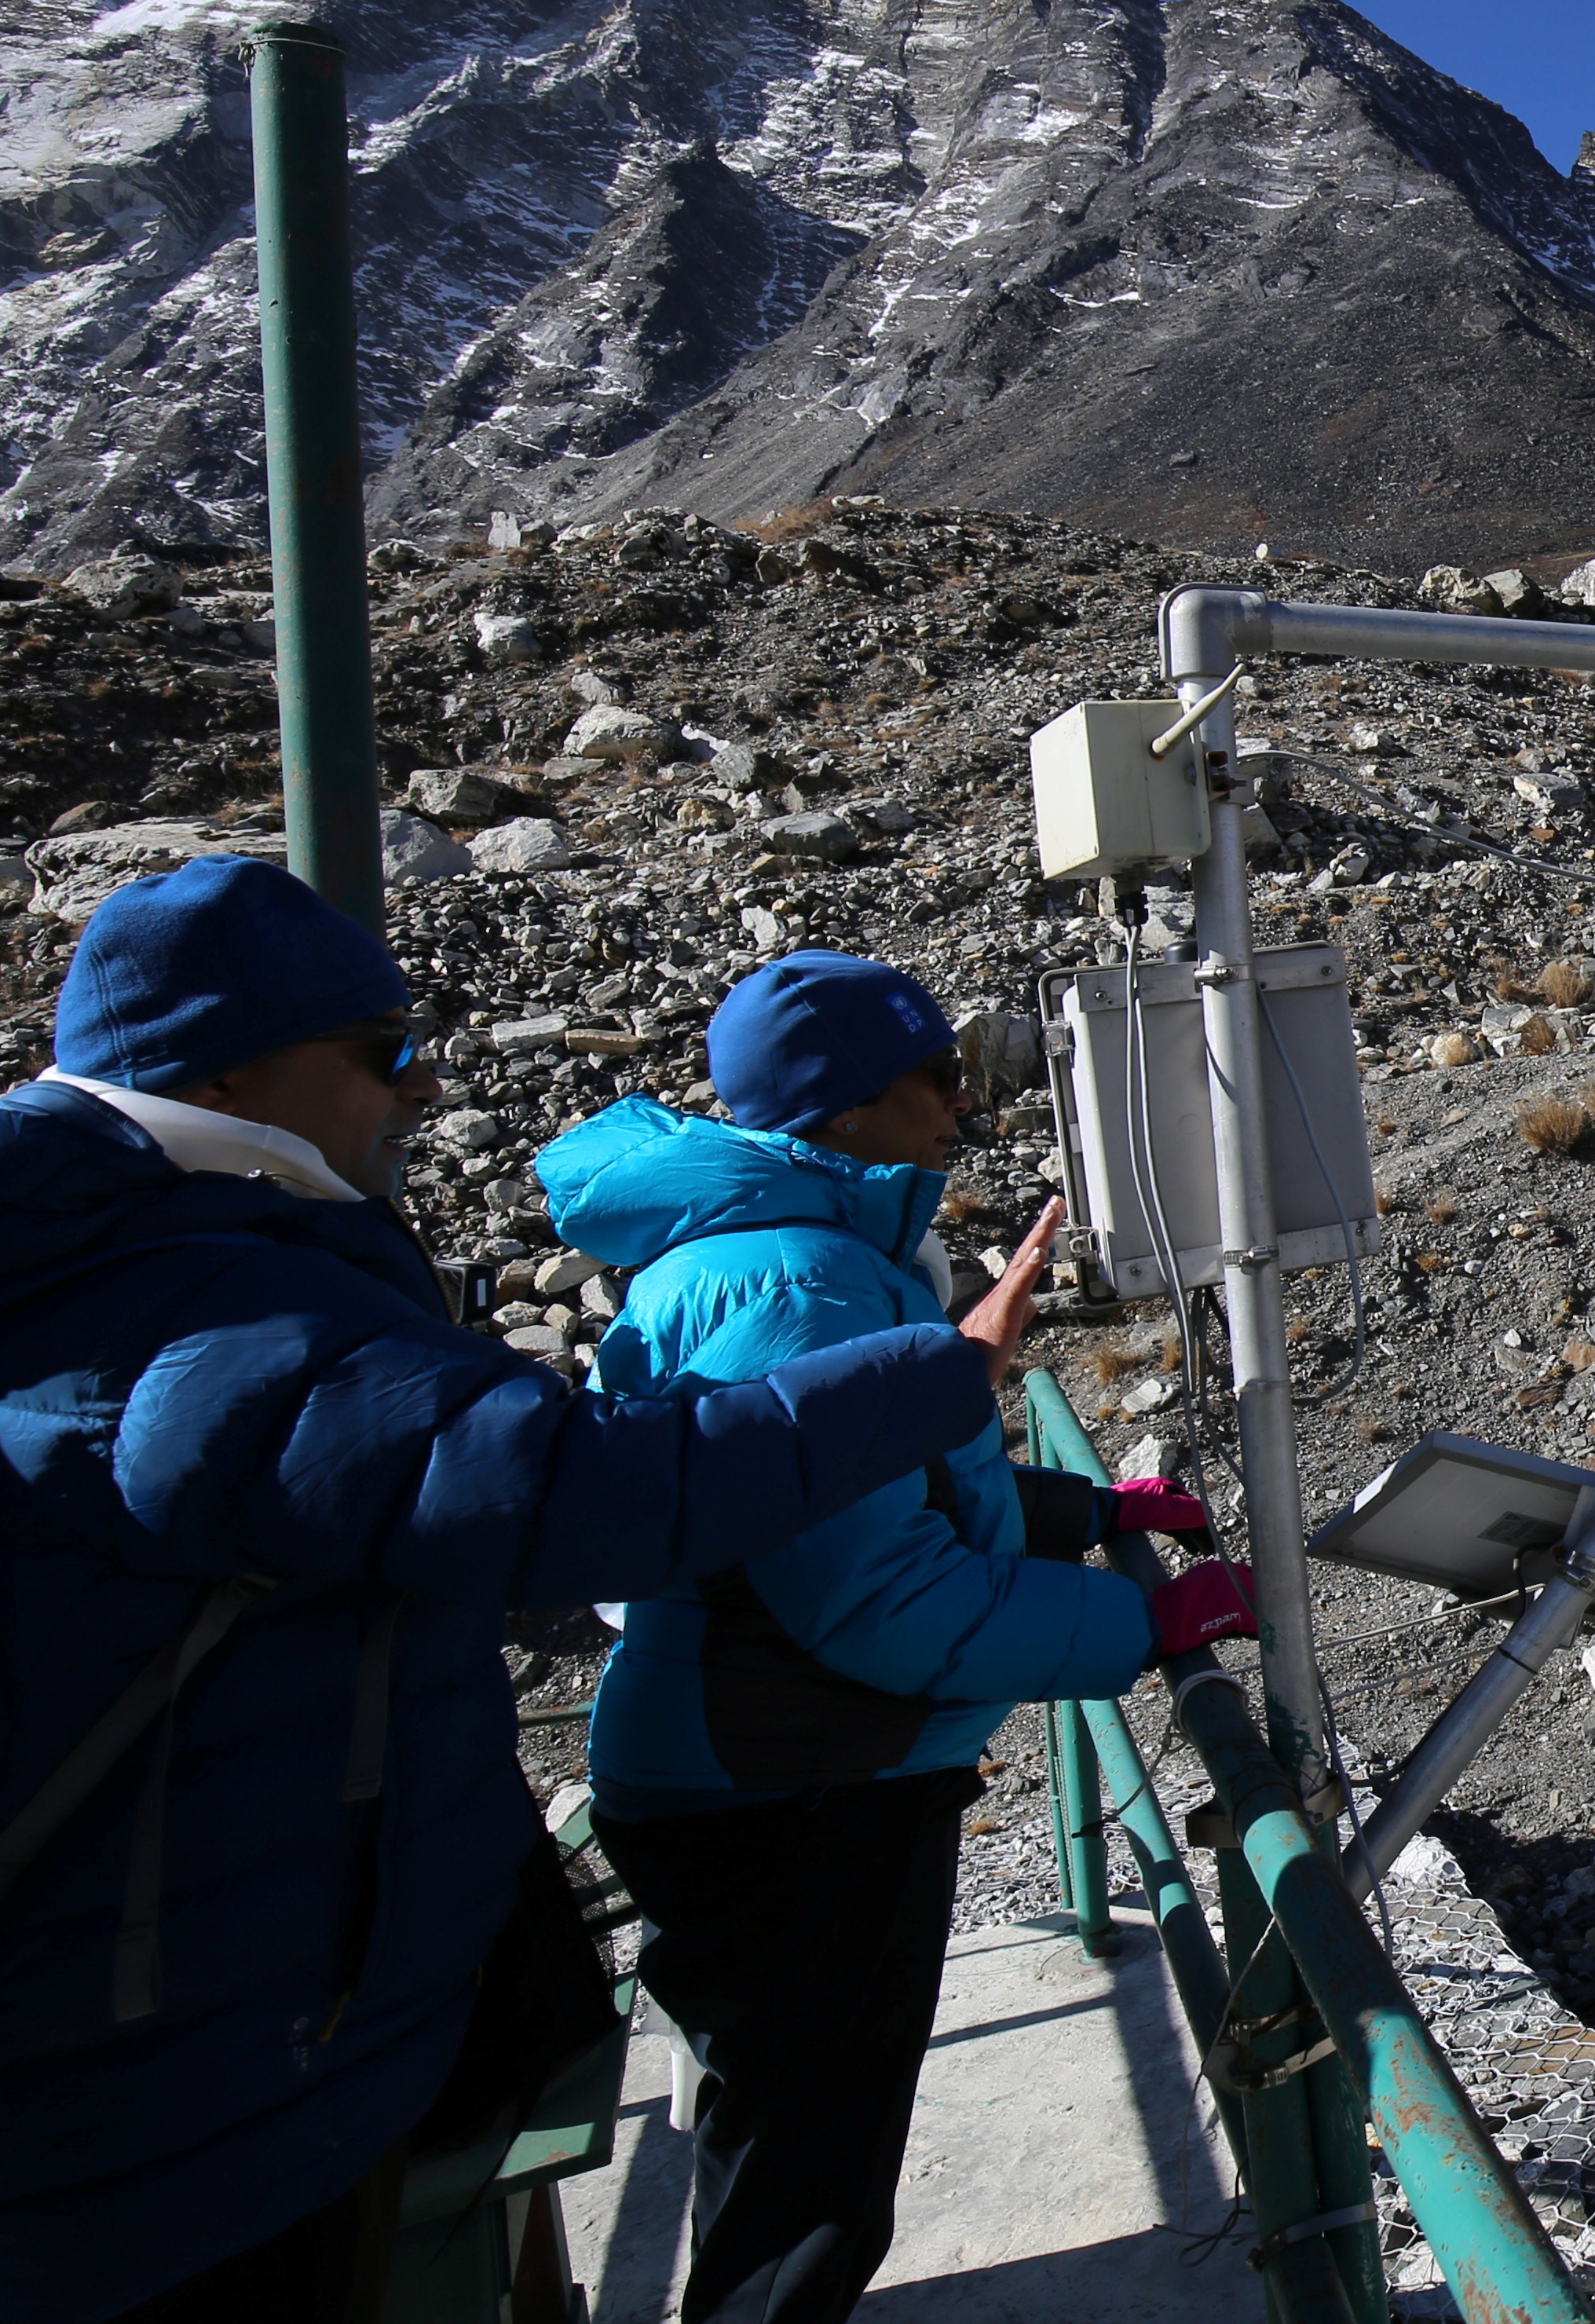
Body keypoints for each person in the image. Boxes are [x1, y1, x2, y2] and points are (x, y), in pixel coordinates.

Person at [0, 858, 1015, 2324]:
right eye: (385, 1052)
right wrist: (945, 1368)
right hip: (169, 2091)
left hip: (90, 2026)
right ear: (225, 1060)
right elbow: (565, 1498)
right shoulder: (197, 1305)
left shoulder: (46, 1247)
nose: (419, 1090)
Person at [539, 950, 1249, 2324]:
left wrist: (1085, 1506)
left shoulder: (787, 1259)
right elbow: (875, 1600)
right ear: (844, 1104)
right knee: (805, 2194)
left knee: (781, 2143)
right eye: (936, 1075)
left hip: (756, 1765)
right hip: (787, 1787)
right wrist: (1144, 1623)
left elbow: (895, 1486)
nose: (960, 1106)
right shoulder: (797, 1285)